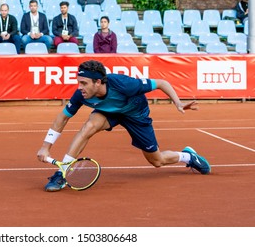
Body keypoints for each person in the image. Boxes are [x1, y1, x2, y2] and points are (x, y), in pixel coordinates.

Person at [37, 60, 211, 192]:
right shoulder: (81, 95)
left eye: (84, 83)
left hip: (135, 114)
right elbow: (62, 118)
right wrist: (46, 147)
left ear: (98, 82)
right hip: (109, 113)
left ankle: (188, 157)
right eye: (79, 82)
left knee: (157, 161)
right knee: (89, 126)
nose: (79, 87)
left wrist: (178, 103)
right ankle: (63, 172)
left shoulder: (124, 85)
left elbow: (161, 83)